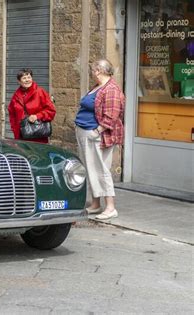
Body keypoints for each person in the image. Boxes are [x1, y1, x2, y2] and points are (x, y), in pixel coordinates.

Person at [75, 59, 125, 220]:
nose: (91, 72)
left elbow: (111, 115)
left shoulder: (111, 89)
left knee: (101, 170)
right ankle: (95, 204)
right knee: (91, 169)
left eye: (93, 70)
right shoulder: (98, 86)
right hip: (86, 132)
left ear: (99, 70)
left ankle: (110, 207)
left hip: (97, 136)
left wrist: (96, 131)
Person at [8, 68, 56, 143]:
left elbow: (51, 111)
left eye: (29, 77)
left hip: (38, 136)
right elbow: (12, 114)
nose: (27, 80)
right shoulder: (16, 96)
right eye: (24, 78)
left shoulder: (40, 92)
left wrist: (37, 116)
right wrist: (15, 130)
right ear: (19, 81)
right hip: (21, 137)